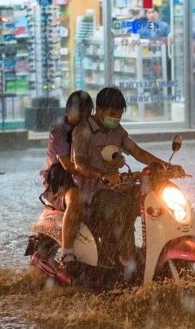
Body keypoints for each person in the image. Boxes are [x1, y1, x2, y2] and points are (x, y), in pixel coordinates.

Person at [71, 87, 181, 269]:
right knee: (122, 206)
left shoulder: (117, 131)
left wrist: (165, 167)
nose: (115, 119)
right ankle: (126, 257)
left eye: (119, 115)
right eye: (112, 114)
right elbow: (78, 164)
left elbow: (137, 151)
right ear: (99, 109)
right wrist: (103, 176)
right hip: (91, 196)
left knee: (152, 197)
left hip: (115, 190)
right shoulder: (82, 131)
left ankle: (154, 250)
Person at [39, 90, 94, 266]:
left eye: (87, 112)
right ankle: (67, 252)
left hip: (85, 181)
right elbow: (69, 166)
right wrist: (100, 173)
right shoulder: (59, 132)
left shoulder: (91, 131)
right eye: (80, 112)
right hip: (60, 185)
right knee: (76, 198)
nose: (83, 117)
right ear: (68, 110)